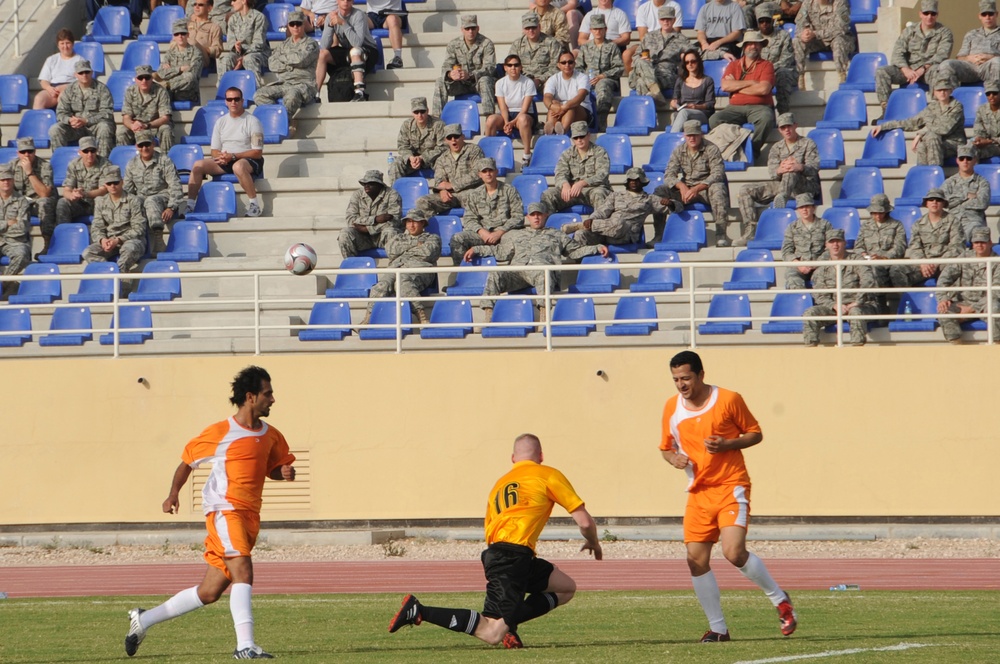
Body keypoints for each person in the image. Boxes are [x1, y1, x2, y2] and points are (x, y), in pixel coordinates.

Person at [123, 366, 296, 660]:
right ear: (251, 397)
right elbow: (187, 462)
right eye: (268, 394)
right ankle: (245, 646)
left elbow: (272, 470)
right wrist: (173, 494)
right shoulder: (221, 432)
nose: (273, 400)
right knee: (244, 570)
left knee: (209, 592)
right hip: (225, 511)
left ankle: (144, 619)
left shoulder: (272, 436)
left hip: (250, 517)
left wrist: (283, 472)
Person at [388, 432, 602, 649]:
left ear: (513, 458)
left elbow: (490, 527)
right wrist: (593, 542)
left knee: (565, 587)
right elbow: (584, 522)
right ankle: (420, 611)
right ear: (542, 456)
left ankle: (509, 623)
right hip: (512, 559)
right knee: (492, 632)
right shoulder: (548, 475)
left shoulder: (499, 485)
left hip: (507, 555)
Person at [660, 350, 796, 643]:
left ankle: (780, 599)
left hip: (731, 485)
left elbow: (755, 433)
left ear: (701, 375)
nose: (681, 385)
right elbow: (665, 448)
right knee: (695, 561)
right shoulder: (672, 407)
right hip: (698, 492)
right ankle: (719, 629)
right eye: (676, 379)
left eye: (686, 378)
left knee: (733, 552)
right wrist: (674, 459)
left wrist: (727, 444)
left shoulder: (729, 399)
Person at [465, 201, 608, 323]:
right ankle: (488, 319)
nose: (536, 218)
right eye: (533, 215)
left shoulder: (556, 234)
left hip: (542, 273)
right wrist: (476, 249)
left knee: (542, 273)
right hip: (519, 273)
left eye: (539, 214)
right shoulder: (517, 234)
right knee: (495, 274)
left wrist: (596, 248)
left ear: (545, 216)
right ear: (528, 217)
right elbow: (501, 252)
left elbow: (574, 251)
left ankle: (544, 319)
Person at [736, 112, 819, 246]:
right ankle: (750, 230)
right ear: (779, 130)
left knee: (791, 171)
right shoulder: (776, 147)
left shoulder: (808, 143)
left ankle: (782, 198)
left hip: (804, 186)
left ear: (795, 126)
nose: (786, 130)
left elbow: (814, 168)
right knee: (745, 190)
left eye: (789, 126)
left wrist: (799, 167)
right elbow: (773, 172)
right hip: (781, 183)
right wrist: (780, 169)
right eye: (783, 127)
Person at [186, 87, 265, 218]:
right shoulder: (220, 122)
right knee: (198, 165)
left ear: (242, 101)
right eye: (230, 99)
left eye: (236, 99)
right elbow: (214, 150)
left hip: (248, 159)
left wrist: (233, 156)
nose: (233, 102)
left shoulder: (253, 121)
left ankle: (254, 205)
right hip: (227, 159)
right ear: (226, 102)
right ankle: (190, 205)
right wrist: (222, 157)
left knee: (238, 166)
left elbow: (257, 152)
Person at [873, 0, 952, 123]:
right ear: (920, 14)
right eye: (926, 13)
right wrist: (905, 70)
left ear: (937, 15)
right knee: (882, 71)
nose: (929, 17)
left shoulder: (944, 32)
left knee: (938, 72)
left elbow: (941, 55)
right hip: (908, 71)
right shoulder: (910, 31)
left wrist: (923, 68)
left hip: (928, 69)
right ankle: (887, 110)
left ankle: (935, 112)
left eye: (933, 13)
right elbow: (897, 53)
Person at [360, 210, 441, 326]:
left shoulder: (432, 238)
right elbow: (391, 251)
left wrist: (404, 249)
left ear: (422, 223)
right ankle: (368, 319)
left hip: (419, 270)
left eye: (415, 222)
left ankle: (422, 316)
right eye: (409, 222)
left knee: (402, 281)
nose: (411, 225)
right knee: (381, 285)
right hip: (396, 267)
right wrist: (415, 245)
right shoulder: (398, 237)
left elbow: (428, 252)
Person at [656, 120, 730, 247]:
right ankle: (659, 234)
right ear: (684, 135)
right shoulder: (679, 151)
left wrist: (697, 188)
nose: (692, 138)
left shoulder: (711, 149)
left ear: (701, 134)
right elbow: (669, 175)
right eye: (689, 135)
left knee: (718, 188)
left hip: (705, 189)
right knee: (660, 192)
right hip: (686, 189)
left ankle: (721, 234)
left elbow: (718, 173)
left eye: (695, 135)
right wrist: (682, 186)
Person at [802, 228, 877, 346]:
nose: (835, 245)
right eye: (832, 242)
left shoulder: (856, 260)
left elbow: (868, 280)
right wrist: (834, 305)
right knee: (809, 314)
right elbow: (820, 294)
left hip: (861, 305)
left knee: (855, 313)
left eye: (838, 241)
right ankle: (811, 351)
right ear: (826, 245)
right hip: (835, 308)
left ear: (844, 243)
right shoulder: (823, 266)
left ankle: (858, 351)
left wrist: (857, 302)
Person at [872, 73, 966, 167]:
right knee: (922, 145)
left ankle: (934, 174)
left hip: (954, 143)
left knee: (932, 137)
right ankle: (924, 177)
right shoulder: (932, 107)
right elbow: (911, 122)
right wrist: (883, 126)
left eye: (945, 90)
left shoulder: (956, 106)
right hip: (937, 143)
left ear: (950, 91)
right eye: (939, 90)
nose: (942, 93)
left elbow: (944, 129)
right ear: (934, 92)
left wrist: (921, 134)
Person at [709, 31, 776, 159]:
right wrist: (750, 83)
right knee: (714, 120)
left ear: (761, 47)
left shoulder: (767, 65)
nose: (753, 46)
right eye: (749, 44)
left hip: (760, 107)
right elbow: (725, 86)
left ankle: (753, 150)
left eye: (756, 44)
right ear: (744, 46)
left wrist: (736, 87)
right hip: (734, 108)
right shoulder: (734, 65)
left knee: (767, 118)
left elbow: (763, 89)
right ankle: (734, 145)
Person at [563, 167, 667, 247]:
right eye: (631, 180)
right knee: (580, 234)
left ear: (643, 182)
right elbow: (602, 211)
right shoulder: (616, 195)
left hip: (625, 234)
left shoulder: (649, 199)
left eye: (637, 180)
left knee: (619, 223)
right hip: (606, 232)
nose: (633, 182)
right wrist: (591, 219)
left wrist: (670, 203)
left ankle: (581, 224)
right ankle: (581, 270)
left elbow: (677, 207)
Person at [449, 157, 524, 263]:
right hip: (483, 234)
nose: (488, 174)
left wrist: (500, 232)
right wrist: (482, 232)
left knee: (517, 240)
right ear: (480, 174)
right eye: (484, 171)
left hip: (505, 233)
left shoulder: (509, 190)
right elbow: (469, 219)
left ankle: (511, 275)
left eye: (490, 170)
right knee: (457, 239)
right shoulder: (474, 194)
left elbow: (518, 217)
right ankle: (463, 273)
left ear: (496, 172)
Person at [254, 9, 320, 127]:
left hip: (303, 84)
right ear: (288, 26)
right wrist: (291, 64)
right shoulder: (283, 45)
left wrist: (283, 60)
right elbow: (272, 63)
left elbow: (301, 60)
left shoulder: (311, 44)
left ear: (303, 24)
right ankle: (279, 118)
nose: (295, 27)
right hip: (284, 83)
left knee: (292, 95)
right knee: (260, 95)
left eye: (298, 23)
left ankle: (280, 124)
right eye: (292, 24)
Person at [889, 188, 964, 288]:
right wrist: (923, 262)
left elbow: (957, 247)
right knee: (896, 269)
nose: (934, 202)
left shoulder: (953, 221)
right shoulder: (918, 223)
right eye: (931, 200)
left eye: (938, 200)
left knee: (955, 269)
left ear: (943, 203)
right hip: (924, 265)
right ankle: (907, 301)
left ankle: (948, 302)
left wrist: (937, 263)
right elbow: (914, 247)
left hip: (944, 263)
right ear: (926, 203)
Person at [124, 131, 185, 254]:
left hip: (162, 197)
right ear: (137, 146)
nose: (145, 148)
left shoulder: (164, 160)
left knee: (151, 201)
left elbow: (175, 185)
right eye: (141, 145)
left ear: (153, 144)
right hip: (142, 197)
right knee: (133, 202)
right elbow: (127, 190)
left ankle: (158, 239)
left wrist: (171, 208)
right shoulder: (132, 164)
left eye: (147, 144)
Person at [937, 226, 1000, 344]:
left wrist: (971, 309)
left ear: (990, 243)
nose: (979, 245)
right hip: (963, 302)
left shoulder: (997, 262)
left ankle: (997, 345)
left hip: (985, 304)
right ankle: (958, 347)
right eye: (976, 242)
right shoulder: (964, 257)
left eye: (983, 242)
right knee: (944, 311)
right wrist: (943, 298)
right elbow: (944, 279)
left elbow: (996, 292)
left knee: (995, 308)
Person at [411, 123, 485, 218]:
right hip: (451, 196)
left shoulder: (474, 150)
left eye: (456, 136)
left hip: (471, 192)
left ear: (463, 137)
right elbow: (439, 181)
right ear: (446, 140)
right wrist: (442, 191)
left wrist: (452, 185)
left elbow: (478, 174)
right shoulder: (442, 158)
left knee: (481, 200)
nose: (453, 140)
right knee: (422, 202)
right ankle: (434, 229)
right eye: (450, 138)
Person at [82, 166, 147, 273]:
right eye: (109, 183)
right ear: (105, 185)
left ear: (122, 182)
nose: (113, 186)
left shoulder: (134, 201)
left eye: (116, 183)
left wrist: (118, 240)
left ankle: (120, 281)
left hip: (131, 240)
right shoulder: (100, 202)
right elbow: (97, 228)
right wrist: (102, 240)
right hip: (109, 241)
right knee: (88, 252)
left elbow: (139, 229)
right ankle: (108, 272)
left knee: (128, 250)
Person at [315, 0, 380, 102]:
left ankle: (359, 93)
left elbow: (357, 43)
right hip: (348, 50)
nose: (345, 1)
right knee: (323, 54)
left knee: (355, 51)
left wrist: (343, 23)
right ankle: (316, 94)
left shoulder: (359, 15)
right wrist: (330, 26)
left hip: (368, 50)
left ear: (352, 1)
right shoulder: (331, 16)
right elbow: (324, 46)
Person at [49, 59, 116, 158]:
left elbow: (107, 113)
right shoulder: (69, 90)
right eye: (81, 72)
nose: (84, 75)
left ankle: (104, 162)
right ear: (75, 74)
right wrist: (70, 120)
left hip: (95, 126)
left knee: (104, 127)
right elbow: (61, 112)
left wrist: (86, 120)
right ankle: (60, 161)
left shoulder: (102, 89)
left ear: (91, 72)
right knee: (55, 129)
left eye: (87, 72)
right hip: (76, 128)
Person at [541, 121, 611, 214]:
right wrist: (565, 184)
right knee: (548, 195)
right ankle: (550, 225)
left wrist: (582, 183)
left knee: (599, 194)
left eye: (582, 136)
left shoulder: (600, 152)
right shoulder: (567, 153)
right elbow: (560, 173)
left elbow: (602, 174)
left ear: (588, 135)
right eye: (576, 137)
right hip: (572, 192)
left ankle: (599, 226)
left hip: (592, 189)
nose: (579, 140)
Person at [432, 15, 497, 116]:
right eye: (467, 28)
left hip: (478, 82)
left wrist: (471, 75)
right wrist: (450, 74)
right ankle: (437, 121)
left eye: (473, 28)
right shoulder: (454, 44)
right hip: (460, 83)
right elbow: (446, 65)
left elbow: (490, 68)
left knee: (485, 80)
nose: (470, 31)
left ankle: (490, 119)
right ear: (462, 30)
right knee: (440, 81)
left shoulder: (486, 43)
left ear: (478, 28)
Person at [854, 194, 907, 311]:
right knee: (869, 271)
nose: (877, 216)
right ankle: (879, 305)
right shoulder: (865, 226)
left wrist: (883, 257)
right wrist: (863, 254)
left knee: (894, 271)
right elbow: (858, 246)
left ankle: (904, 304)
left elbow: (900, 247)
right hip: (870, 263)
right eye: (875, 213)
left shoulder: (896, 225)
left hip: (889, 263)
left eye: (880, 212)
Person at [628, 7, 690, 108]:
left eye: (669, 19)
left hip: (666, 75)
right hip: (648, 69)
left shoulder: (681, 39)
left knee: (641, 82)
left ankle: (649, 110)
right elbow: (635, 56)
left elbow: (697, 53)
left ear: (674, 20)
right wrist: (645, 62)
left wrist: (721, 54)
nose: (666, 22)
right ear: (659, 20)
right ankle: (655, 91)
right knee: (641, 61)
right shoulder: (649, 37)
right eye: (663, 19)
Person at [486, 55, 539, 167]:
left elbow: (524, 109)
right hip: (507, 114)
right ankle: (489, 156)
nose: (513, 68)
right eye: (510, 65)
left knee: (523, 119)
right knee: (490, 120)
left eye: (516, 65)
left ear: (521, 67)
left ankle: (527, 155)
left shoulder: (528, 82)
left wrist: (512, 122)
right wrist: (506, 122)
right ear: (505, 68)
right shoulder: (500, 83)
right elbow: (503, 107)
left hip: (524, 114)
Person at [337, 169, 403, 258]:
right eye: (364, 183)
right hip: (363, 238)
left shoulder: (392, 194)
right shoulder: (358, 194)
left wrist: (368, 229)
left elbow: (394, 222)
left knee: (391, 232)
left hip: (382, 236)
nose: (366, 186)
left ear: (379, 185)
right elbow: (351, 219)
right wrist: (375, 219)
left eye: (370, 183)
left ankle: (394, 268)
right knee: (345, 233)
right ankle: (352, 267)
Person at [7, 138, 56, 258]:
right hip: (21, 202)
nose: (27, 155)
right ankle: (15, 247)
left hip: (38, 202)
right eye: (23, 152)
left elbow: (44, 193)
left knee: (44, 203)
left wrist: (29, 172)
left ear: (35, 151)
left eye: (30, 151)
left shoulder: (44, 165)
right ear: (18, 153)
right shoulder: (11, 166)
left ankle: (48, 245)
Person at [577, 14, 626, 128]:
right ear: (591, 30)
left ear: (605, 29)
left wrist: (602, 76)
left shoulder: (612, 47)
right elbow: (578, 67)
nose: (598, 31)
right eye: (595, 29)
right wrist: (586, 79)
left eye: (600, 28)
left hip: (607, 80)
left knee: (603, 87)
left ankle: (601, 122)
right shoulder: (585, 47)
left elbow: (619, 67)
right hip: (588, 81)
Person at [937, 1, 1000, 86]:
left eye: (990, 14)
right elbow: (960, 57)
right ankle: (950, 96)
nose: (987, 17)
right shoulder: (971, 34)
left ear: (996, 14)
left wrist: (990, 57)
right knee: (946, 64)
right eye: (984, 14)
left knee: (997, 62)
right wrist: (969, 58)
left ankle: (995, 94)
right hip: (971, 68)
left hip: (990, 67)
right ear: (979, 16)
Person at [55, 137, 111, 232]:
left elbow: (103, 190)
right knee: (63, 203)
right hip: (80, 203)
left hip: (98, 203)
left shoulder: (105, 164)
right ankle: (64, 235)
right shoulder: (74, 164)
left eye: (92, 151)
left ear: (96, 150)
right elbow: (66, 190)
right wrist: (72, 195)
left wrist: (85, 194)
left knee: (101, 200)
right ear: (80, 152)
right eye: (86, 151)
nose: (90, 154)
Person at [792, 0, 854, 87]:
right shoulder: (808, 3)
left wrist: (815, 34)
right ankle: (799, 78)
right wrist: (804, 33)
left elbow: (841, 29)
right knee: (797, 41)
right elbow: (799, 26)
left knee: (839, 41)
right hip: (818, 41)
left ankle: (842, 76)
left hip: (838, 38)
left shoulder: (840, 3)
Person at [780, 193, 832, 289]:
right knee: (792, 278)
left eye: (807, 206)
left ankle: (822, 303)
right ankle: (801, 302)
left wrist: (816, 264)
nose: (804, 209)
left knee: (823, 279)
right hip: (799, 266)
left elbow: (830, 249)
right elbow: (786, 251)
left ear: (813, 208)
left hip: (820, 265)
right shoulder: (792, 227)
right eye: (801, 207)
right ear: (798, 210)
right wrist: (799, 265)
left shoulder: (825, 225)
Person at [389, 97, 446, 184]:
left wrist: (422, 158)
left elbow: (443, 147)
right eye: (416, 112)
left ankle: (439, 192)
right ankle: (397, 193)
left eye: (422, 111)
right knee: (396, 165)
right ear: (412, 113)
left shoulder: (438, 124)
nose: (420, 115)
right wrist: (410, 158)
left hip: (432, 160)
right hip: (413, 161)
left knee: (443, 164)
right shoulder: (407, 125)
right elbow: (402, 146)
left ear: (427, 110)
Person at [118, 66, 174, 151]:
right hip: (136, 128)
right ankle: (125, 160)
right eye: (140, 78)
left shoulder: (160, 91)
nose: (144, 81)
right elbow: (126, 117)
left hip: (154, 127)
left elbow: (165, 118)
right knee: (121, 133)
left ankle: (166, 159)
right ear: (136, 79)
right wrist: (132, 126)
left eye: (147, 77)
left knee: (166, 129)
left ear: (152, 78)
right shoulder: (130, 91)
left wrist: (147, 125)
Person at [942, 144, 991, 242]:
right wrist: (966, 196)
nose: (965, 161)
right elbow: (944, 202)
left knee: (977, 234)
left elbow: (982, 203)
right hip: (952, 220)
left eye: (968, 158)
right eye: (961, 158)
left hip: (973, 221)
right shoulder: (949, 182)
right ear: (957, 161)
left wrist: (955, 200)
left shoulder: (982, 182)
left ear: (974, 161)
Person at [218, 0, 270, 85]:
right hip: (239, 53)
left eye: (234, 0)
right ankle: (223, 91)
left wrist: (243, 56)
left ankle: (255, 90)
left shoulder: (259, 17)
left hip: (259, 53)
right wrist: (235, 46)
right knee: (226, 59)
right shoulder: (233, 19)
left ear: (243, 1)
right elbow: (230, 40)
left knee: (249, 59)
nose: (232, 3)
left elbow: (258, 42)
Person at [624, 0, 683, 73]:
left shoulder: (674, 6)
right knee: (627, 55)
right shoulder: (643, 8)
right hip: (649, 43)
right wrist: (652, 47)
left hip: (668, 43)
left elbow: (675, 32)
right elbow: (642, 36)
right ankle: (634, 80)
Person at [756, 5, 796, 115]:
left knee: (783, 74)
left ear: (772, 21)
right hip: (759, 73)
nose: (764, 24)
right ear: (758, 23)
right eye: (761, 21)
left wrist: (768, 70)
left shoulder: (783, 35)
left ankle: (783, 114)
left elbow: (786, 59)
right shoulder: (753, 38)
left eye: (767, 21)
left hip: (779, 70)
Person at [509, 13, 562, 95]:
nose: (531, 31)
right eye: (527, 28)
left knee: (552, 89)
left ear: (539, 27)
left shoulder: (551, 42)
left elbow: (557, 67)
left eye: (533, 27)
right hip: (522, 80)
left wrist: (540, 79)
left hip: (545, 81)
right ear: (523, 29)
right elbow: (511, 65)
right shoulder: (517, 44)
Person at [0, 163, 33, 294]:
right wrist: (7, 223)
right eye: (2, 180)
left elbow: (22, 228)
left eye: (8, 179)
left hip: (15, 241)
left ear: (13, 180)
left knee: (22, 254)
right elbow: (15, 225)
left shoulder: (21, 201)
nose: (6, 182)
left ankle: (3, 284)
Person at [542, 53, 593, 136]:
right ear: (558, 65)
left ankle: (562, 131)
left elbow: (581, 96)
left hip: (582, 111)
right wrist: (552, 106)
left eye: (570, 62)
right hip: (559, 110)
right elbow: (547, 97)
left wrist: (565, 107)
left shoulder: (582, 77)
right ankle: (551, 127)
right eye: (563, 62)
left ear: (574, 64)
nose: (567, 65)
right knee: (554, 103)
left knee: (571, 106)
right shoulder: (553, 79)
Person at [156, 20, 205, 106]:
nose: (180, 36)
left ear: (188, 35)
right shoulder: (170, 53)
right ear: (173, 37)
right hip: (170, 92)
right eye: (177, 34)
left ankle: (167, 85)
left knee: (189, 76)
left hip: (187, 93)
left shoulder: (196, 52)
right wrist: (179, 69)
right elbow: (161, 73)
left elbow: (193, 74)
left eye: (183, 34)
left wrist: (169, 80)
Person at [33, 28, 83, 110]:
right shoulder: (51, 59)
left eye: (68, 43)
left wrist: (64, 87)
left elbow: (83, 81)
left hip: (71, 88)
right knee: (39, 99)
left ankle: (62, 121)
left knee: (62, 97)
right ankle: (38, 122)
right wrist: (49, 88)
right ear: (58, 45)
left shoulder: (80, 60)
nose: (65, 46)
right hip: (53, 88)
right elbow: (43, 80)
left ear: (72, 44)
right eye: (62, 43)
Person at [669, 49, 716, 133]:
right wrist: (674, 103)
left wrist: (696, 106)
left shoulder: (708, 80)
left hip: (701, 113)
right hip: (683, 110)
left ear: (698, 62)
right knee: (676, 115)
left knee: (683, 113)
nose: (690, 64)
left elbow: (710, 103)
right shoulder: (680, 80)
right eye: (687, 62)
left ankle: (672, 139)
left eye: (693, 61)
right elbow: (675, 98)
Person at [366, 0, 407, 70]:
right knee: (359, 19)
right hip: (372, 15)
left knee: (392, 20)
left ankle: (398, 57)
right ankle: (357, 56)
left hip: (393, 12)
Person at [973, 80, 1000, 161]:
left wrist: (989, 141)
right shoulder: (982, 110)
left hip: (994, 143)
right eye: (988, 94)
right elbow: (978, 130)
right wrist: (979, 140)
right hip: (992, 146)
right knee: (971, 150)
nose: (991, 96)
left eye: (995, 93)